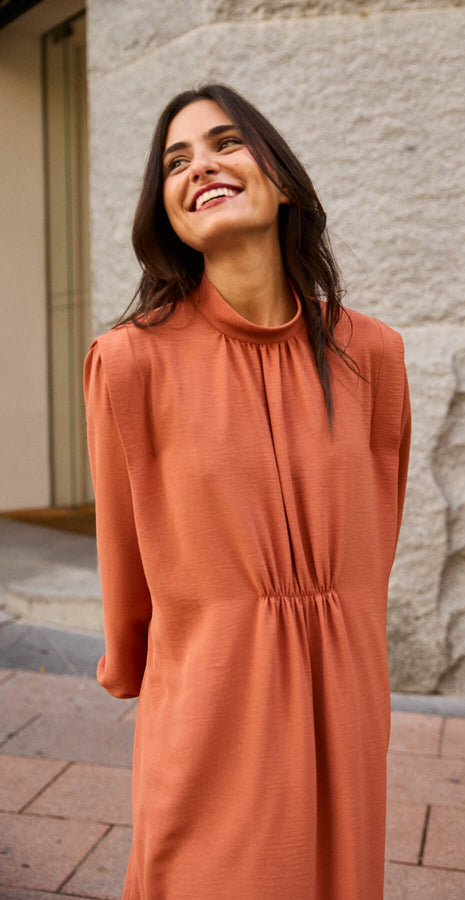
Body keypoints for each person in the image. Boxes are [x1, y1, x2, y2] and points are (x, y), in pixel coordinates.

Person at [84, 83, 411, 900]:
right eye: (175, 161)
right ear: (168, 212)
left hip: (347, 701)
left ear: (284, 182)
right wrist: (135, 667)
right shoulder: (129, 363)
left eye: (226, 143)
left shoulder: (373, 355)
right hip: (212, 706)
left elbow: (377, 540)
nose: (200, 166)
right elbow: (126, 564)